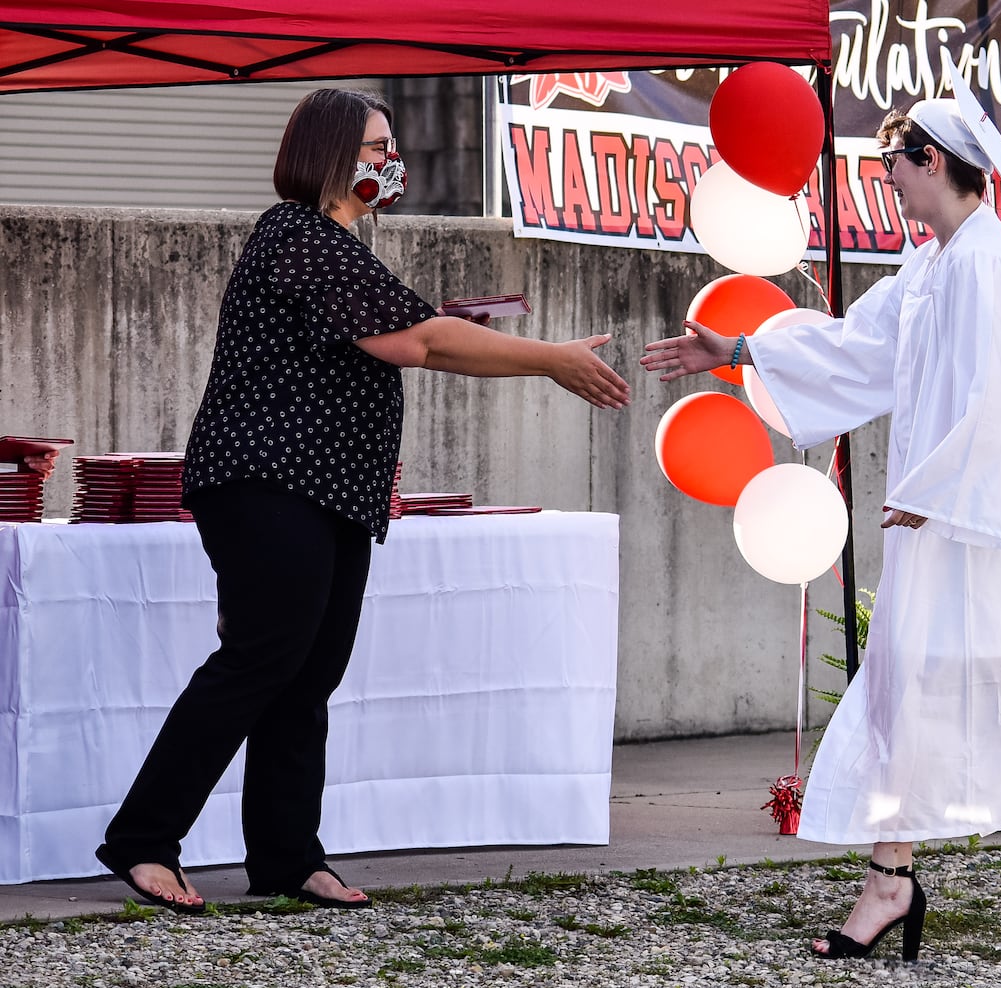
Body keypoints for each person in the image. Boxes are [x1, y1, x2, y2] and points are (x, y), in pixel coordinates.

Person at [640, 93, 1001, 970]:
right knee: (910, 679)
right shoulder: (932, 267)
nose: (884, 179)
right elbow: (858, 349)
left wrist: (944, 490)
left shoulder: (989, 268)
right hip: (944, 509)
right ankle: (903, 877)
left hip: (997, 518)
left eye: (892, 161)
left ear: (932, 161)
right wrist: (740, 351)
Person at [95, 88, 629, 913]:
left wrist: (517, 349)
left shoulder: (340, 248)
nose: (391, 162)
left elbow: (412, 334)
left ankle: (285, 857)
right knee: (262, 659)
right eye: (377, 147)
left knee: (308, 674)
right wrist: (548, 358)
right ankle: (141, 841)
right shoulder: (298, 235)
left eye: (391, 146)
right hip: (269, 481)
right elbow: (417, 341)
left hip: (328, 490)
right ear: (332, 155)